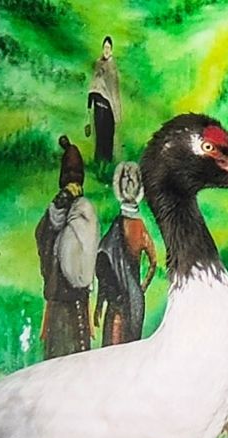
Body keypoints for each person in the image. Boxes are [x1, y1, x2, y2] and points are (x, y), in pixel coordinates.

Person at [35, 135, 100, 359]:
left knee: (76, 362)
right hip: (59, 301)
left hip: (76, 302)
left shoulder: (83, 212)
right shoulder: (57, 213)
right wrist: (61, 200)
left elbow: (86, 261)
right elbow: (44, 234)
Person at [95, 161, 158, 345]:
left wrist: (101, 301)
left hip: (118, 299)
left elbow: (102, 261)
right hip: (132, 299)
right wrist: (141, 288)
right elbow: (153, 263)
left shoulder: (117, 227)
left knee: (114, 349)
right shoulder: (139, 228)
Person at [87, 36, 121, 164]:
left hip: (108, 107)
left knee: (107, 134)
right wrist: (90, 102)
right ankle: (98, 162)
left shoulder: (112, 68)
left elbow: (114, 91)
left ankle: (106, 162)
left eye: (108, 48)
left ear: (111, 50)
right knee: (99, 134)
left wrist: (116, 111)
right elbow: (94, 84)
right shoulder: (98, 64)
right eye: (105, 47)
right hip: (98, 104)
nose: (106, 50)